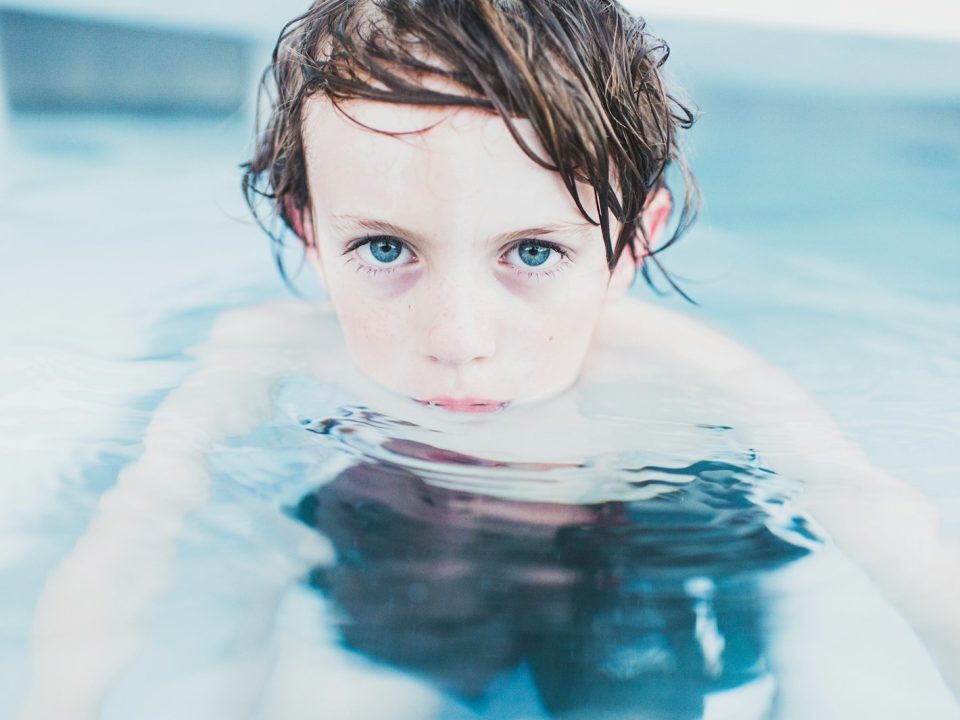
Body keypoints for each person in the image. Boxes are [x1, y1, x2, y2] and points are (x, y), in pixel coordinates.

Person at [19, 1, 960, 717]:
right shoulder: (262, 351)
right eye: (386, 249)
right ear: (310, 230)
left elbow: (880, 523)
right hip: (408, 562)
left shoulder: (688, 375)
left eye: (534, 252)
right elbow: (139, 534)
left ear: (634, 242)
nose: (459, 340)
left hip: (638, 551)